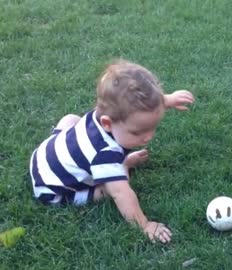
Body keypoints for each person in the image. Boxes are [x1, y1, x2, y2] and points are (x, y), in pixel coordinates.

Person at [29, 60, 195, 243]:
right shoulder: (105, 154)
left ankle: (115, 163)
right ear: (108, 123)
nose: (148, 137)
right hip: (51, 188)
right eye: (137, 132)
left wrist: (166, 100)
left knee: (71, 119)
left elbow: (142, 105)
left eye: (152, 128)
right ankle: (118, 168)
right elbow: (121, 194)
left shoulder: (107, 113)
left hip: (44, 153)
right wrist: (145, 225)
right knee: (108, 190)